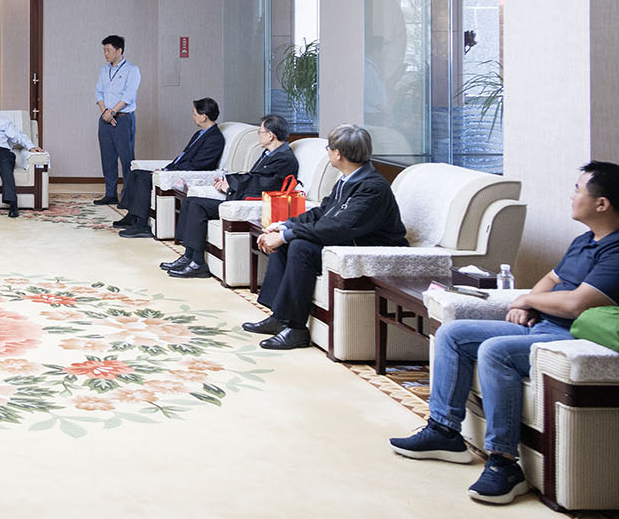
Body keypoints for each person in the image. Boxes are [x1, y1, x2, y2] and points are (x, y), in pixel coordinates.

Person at [390, 162, 619, 505]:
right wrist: (530, 303)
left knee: (495, 351)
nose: (572, 195)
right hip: (547, 326)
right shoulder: (587, 240)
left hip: (581, 339)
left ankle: (504, 463)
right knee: (453, 334)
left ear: (602, 203)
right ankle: (444, 431)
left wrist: (529, 300)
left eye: (578, 189)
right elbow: (552, 279)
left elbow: (577, 304)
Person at [243, 123, 405, 350]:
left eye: (329, 148)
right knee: (288, 241)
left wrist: (287, 235)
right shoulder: (349, 178)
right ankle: (280, 317)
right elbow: (322, 212)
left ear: (338, 154)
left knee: (299, 246)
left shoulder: (372, 187)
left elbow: (338, 227)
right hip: (346, 241)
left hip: (367, 249)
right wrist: (284, 225)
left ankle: (296, 329)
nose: (327, 151)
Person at [165, 114, 299, 278]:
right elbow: (252, 178)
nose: (259, 135)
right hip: (241, 197)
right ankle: (189, 255)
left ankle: (198, 262)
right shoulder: (269, 153)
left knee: (197, 206)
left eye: (260, 132)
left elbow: (265, 184)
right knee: (189, 201)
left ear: (270, 135)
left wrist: (231, 186)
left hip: (251, 203)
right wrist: (227, 182)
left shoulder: (285, 158)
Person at [113, 98, 225, 239]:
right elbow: (183, 157)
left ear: (204, 117)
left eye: (195, 113)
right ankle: (132, 216)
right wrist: (165, 169)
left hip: (187, 176)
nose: (193, 117)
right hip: (176, 169)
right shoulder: (200, 133)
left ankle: (142, 225)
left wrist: (169, 172)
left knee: (143, 178)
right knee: (135, 173)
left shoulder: (215, 138)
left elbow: (198, 165)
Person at [93, 34, 140, 206]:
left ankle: (128, 197)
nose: (106, 54)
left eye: (109, 50)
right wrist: (105, 112)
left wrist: (112, 112)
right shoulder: (104, 70)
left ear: (119, 50)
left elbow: (128, 96)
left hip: (123, 119)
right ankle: (110, 194)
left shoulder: (132, 70)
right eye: (104, 50)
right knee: (107, 158)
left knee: (126, 159)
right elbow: (98, 93)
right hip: (105, 119)